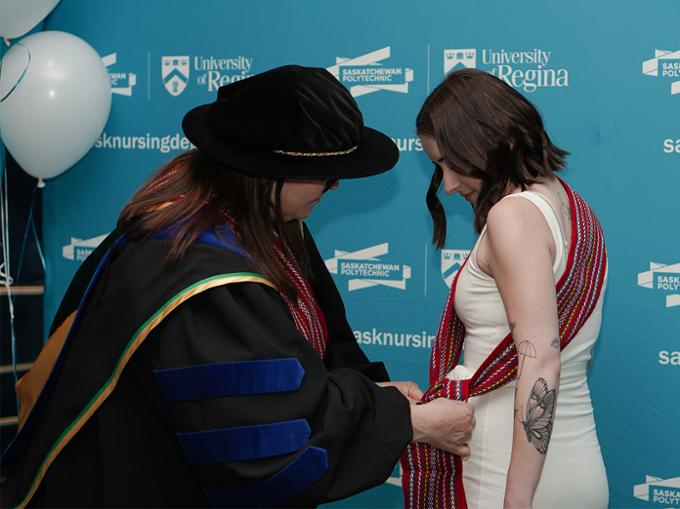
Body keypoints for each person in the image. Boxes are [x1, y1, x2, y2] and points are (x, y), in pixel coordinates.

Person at [0, 65, 475, 508]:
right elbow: (259, 448)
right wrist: (400, 422)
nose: (334, 188)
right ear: (269, 175)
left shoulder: (265, 224)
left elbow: (299, 366)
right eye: (327, 175)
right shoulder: (196, 272)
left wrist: (376, 393)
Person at [401, 68, 608, 509]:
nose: (450, 184)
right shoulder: (571, 205)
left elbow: (541, 364)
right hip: (575, 461)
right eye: (439, 166)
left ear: (500, 142)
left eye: (453, 163)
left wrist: (516, 500)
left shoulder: (512, 216)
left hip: (507, 473)